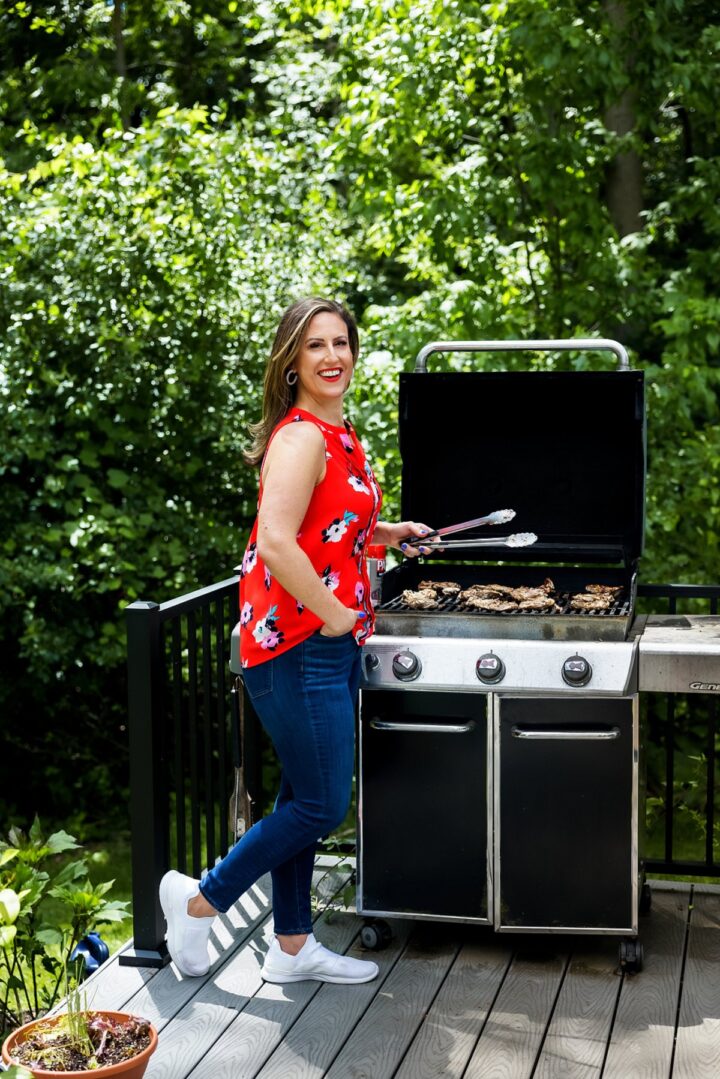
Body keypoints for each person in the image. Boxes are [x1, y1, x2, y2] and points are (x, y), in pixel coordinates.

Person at [159, 297, 434, 985]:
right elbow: (278, 543)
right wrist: (336, 612)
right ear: (291, 360)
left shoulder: (340, 433)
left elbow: (327, 526)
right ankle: (197, 899)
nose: (333, 356)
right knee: (320, 804)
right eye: (316, 345)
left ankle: (290, 946)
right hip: (295, 645)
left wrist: (386, 533)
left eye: (341, 342)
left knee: (299, 797)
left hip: (327, 642)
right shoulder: (300, 436)